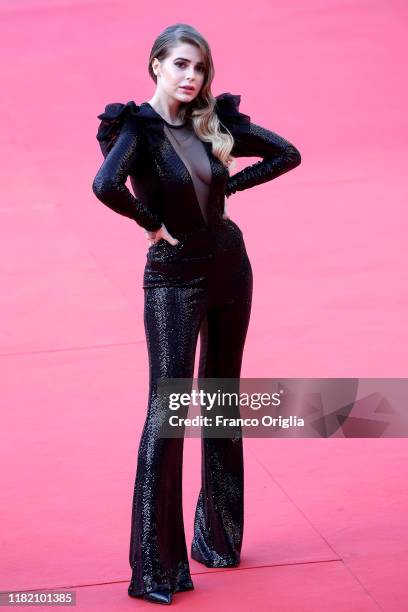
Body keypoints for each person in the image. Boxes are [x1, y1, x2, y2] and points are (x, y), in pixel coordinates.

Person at [92, 22, 301, 606]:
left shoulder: (214, 122)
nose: (191, 77)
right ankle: (157, 567)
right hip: (173, 279)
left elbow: (288, 153)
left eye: (200, 68)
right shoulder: (136, 128)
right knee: (169, 410)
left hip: (230, 265)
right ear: (156, 64)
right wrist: (151, 224)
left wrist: (230, 193)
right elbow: (105, 184)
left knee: (220, 398)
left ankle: (220, 537)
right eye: (181, 65)